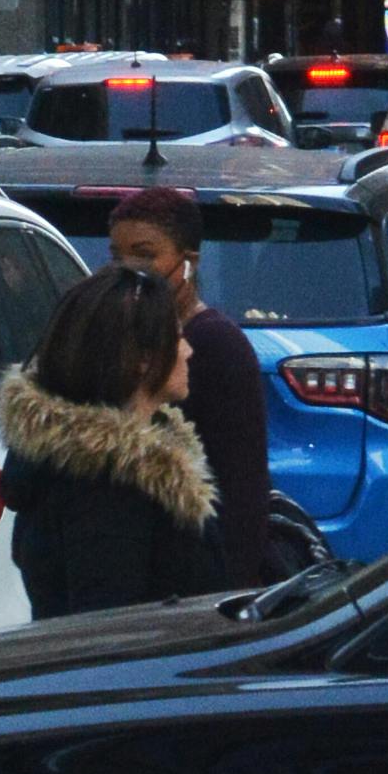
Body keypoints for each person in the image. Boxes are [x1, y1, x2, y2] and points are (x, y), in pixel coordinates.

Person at [0, 261, 232, 618]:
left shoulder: (112, 466)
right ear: (143, 359)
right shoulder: (109, 486)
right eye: (177, 336)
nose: (188, 350)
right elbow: (106, 636)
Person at [102, 181, 277, 579]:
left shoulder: (214, 344)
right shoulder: (117, 331)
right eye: (117, 255)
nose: (128, 270)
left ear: (188, 263)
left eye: (145, 256)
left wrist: (231, 593)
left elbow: (242, 487)